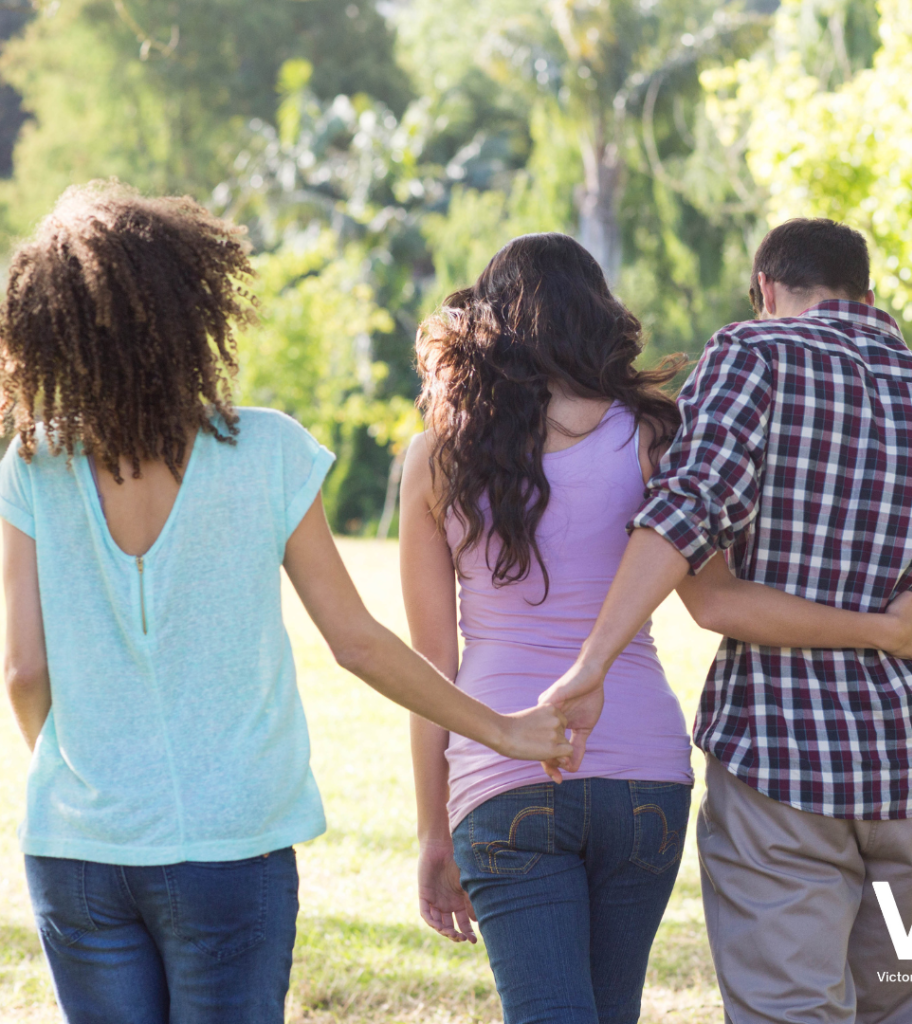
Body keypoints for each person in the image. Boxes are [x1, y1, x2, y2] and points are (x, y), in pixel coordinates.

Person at [0, 183, 571, 1024]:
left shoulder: (31, 462)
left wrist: (91, 776)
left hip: (79, 845)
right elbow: (356, 642)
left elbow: (22, 670)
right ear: (192, 309)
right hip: (234, 844)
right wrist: (505, 731)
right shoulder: (264, 449)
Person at [400, 231, 912, 1024]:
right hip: (693, 773)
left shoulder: (438, 457)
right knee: (906, 998)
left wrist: (430, 833)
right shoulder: (657, 434)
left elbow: (431, 668)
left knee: (766, 1006)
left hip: (512, 767)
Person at [540, 219, 912, 1024]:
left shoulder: (754, 354)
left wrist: (593, 660)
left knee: (787, 1012)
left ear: (765, 290)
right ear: (870, 297)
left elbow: (687, 509)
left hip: (780, 779)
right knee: (908, 1008)